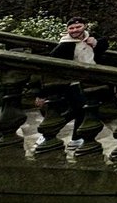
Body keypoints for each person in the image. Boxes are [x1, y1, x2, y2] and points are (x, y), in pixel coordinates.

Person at [39, 17, 108, 149]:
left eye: (78, 27)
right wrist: (42, 94)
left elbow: (104, 43)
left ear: (85, 27)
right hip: (71, 83)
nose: (75, 30)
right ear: (67, 30)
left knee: (81, 110)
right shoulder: (65, 45)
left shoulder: (89, 39)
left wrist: (96, 43)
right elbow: (49, 68)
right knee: (79, 109)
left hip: (88, 80)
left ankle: (75, 138)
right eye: (71, 28)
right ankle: (48, 133)